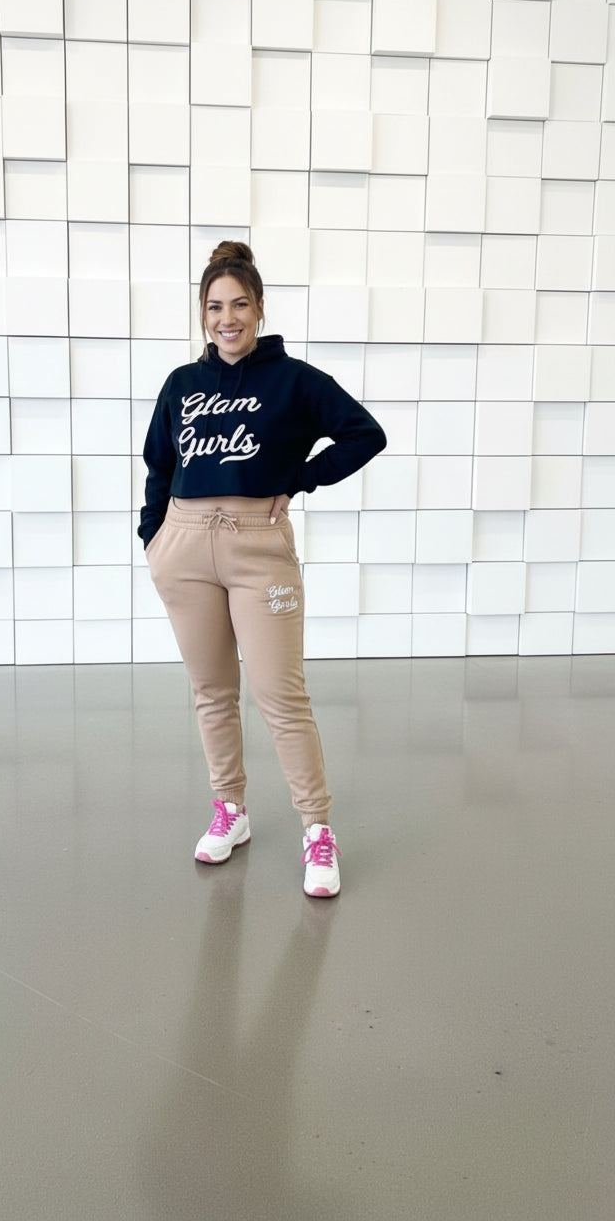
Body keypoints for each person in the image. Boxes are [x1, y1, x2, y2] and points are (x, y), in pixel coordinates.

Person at [138, 241, 386, 896]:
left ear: (259, 308)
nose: (227, 319)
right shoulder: (182, 385)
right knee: (212, 691)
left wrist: (300, 477)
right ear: (203, 313)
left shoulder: (294, 381)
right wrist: (153, 538)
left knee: (281, 695)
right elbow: (159, 464)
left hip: (257, 547)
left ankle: (317, 829)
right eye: (214, 307)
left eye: (239, 305)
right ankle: (231, 809)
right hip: (184, 545)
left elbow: (365, 434)